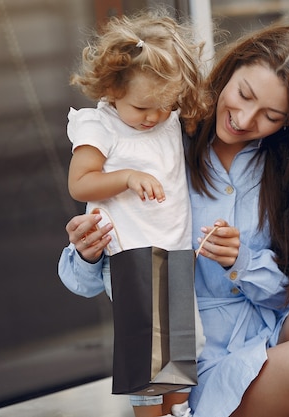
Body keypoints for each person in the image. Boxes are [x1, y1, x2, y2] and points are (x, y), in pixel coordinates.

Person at [59, 18, 289, 417]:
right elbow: (99, 283)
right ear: (230, 70)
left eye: (271, 115)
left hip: (273, 340)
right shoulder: (164, 137)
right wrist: (89, 253)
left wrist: (243, 261)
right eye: (244, 94)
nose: (246, 119)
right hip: (201, 366)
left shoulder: (285, 166)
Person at [64, 9, 209, 417]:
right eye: (143, 108)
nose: (154, 118)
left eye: (165, 106)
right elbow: (81, 183)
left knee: (181, 346)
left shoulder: (166, 117)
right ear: (112, 90)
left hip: (174, 247)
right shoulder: (100, 126)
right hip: (130, 252)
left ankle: (178, 411)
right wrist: (126, 176)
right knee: (147, 349)